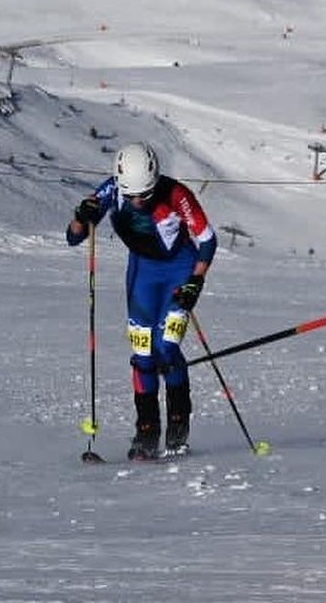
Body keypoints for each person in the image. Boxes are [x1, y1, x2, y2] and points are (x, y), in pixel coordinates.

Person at [66, 141, 217, 459]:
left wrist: (195, 282)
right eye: (131, 194)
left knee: (167, 347)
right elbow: (74, 236)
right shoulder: (112, 190)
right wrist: (83, 215)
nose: (137, 201)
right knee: (143, 351)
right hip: (142, 275)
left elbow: (207, 240)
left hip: (180, 272)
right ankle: (146, 432)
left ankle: (178, 428)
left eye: (145, 195)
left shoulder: (177, 195)